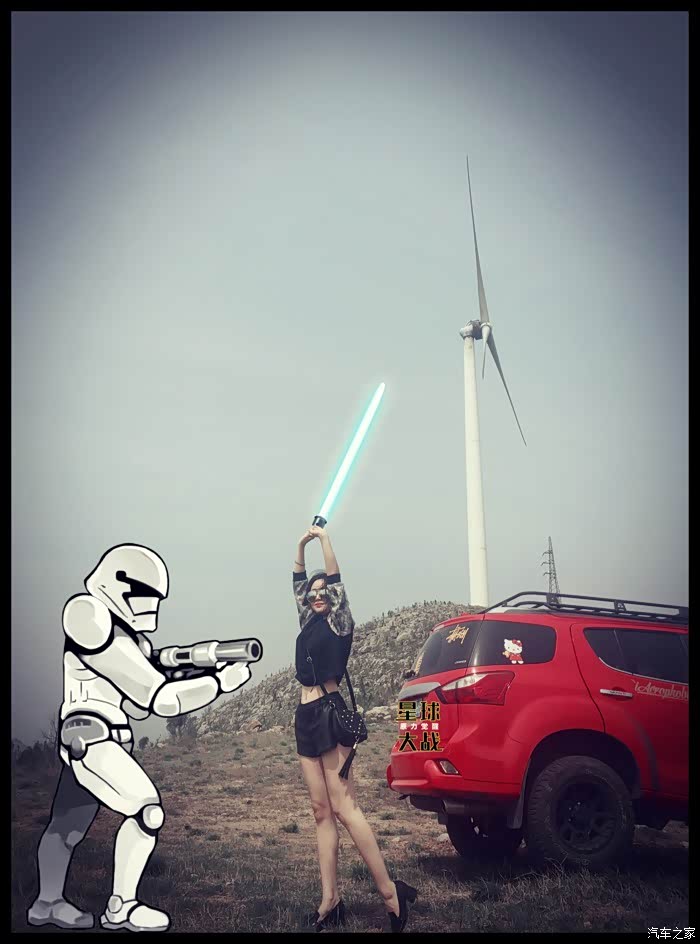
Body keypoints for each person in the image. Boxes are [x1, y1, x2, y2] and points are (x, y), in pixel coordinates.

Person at [27, 543, 254, 932]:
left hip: (97, 739)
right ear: (119, 584)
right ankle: (121, 908)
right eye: (144, 596)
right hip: (91, 737)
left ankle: (46, 903)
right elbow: (160, 698)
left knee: (66, 827)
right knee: (147, 811)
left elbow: (147, 685)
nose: (150, 607)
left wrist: (199, 665)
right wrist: (218, 683)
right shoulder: (89, 618)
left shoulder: (126, 637)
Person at [293, 525, 417, 933]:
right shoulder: (308, 621)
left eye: (322, 591)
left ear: (332, 597)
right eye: (313, 593)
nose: (317, 595)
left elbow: (335, 580)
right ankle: (330, 901)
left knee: (345, 809)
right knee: (320, 811)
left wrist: (324, 541)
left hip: (330, 714)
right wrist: (300, 547)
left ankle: (391, 894)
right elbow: (298, 584)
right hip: (305, 717)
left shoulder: (339, 622)